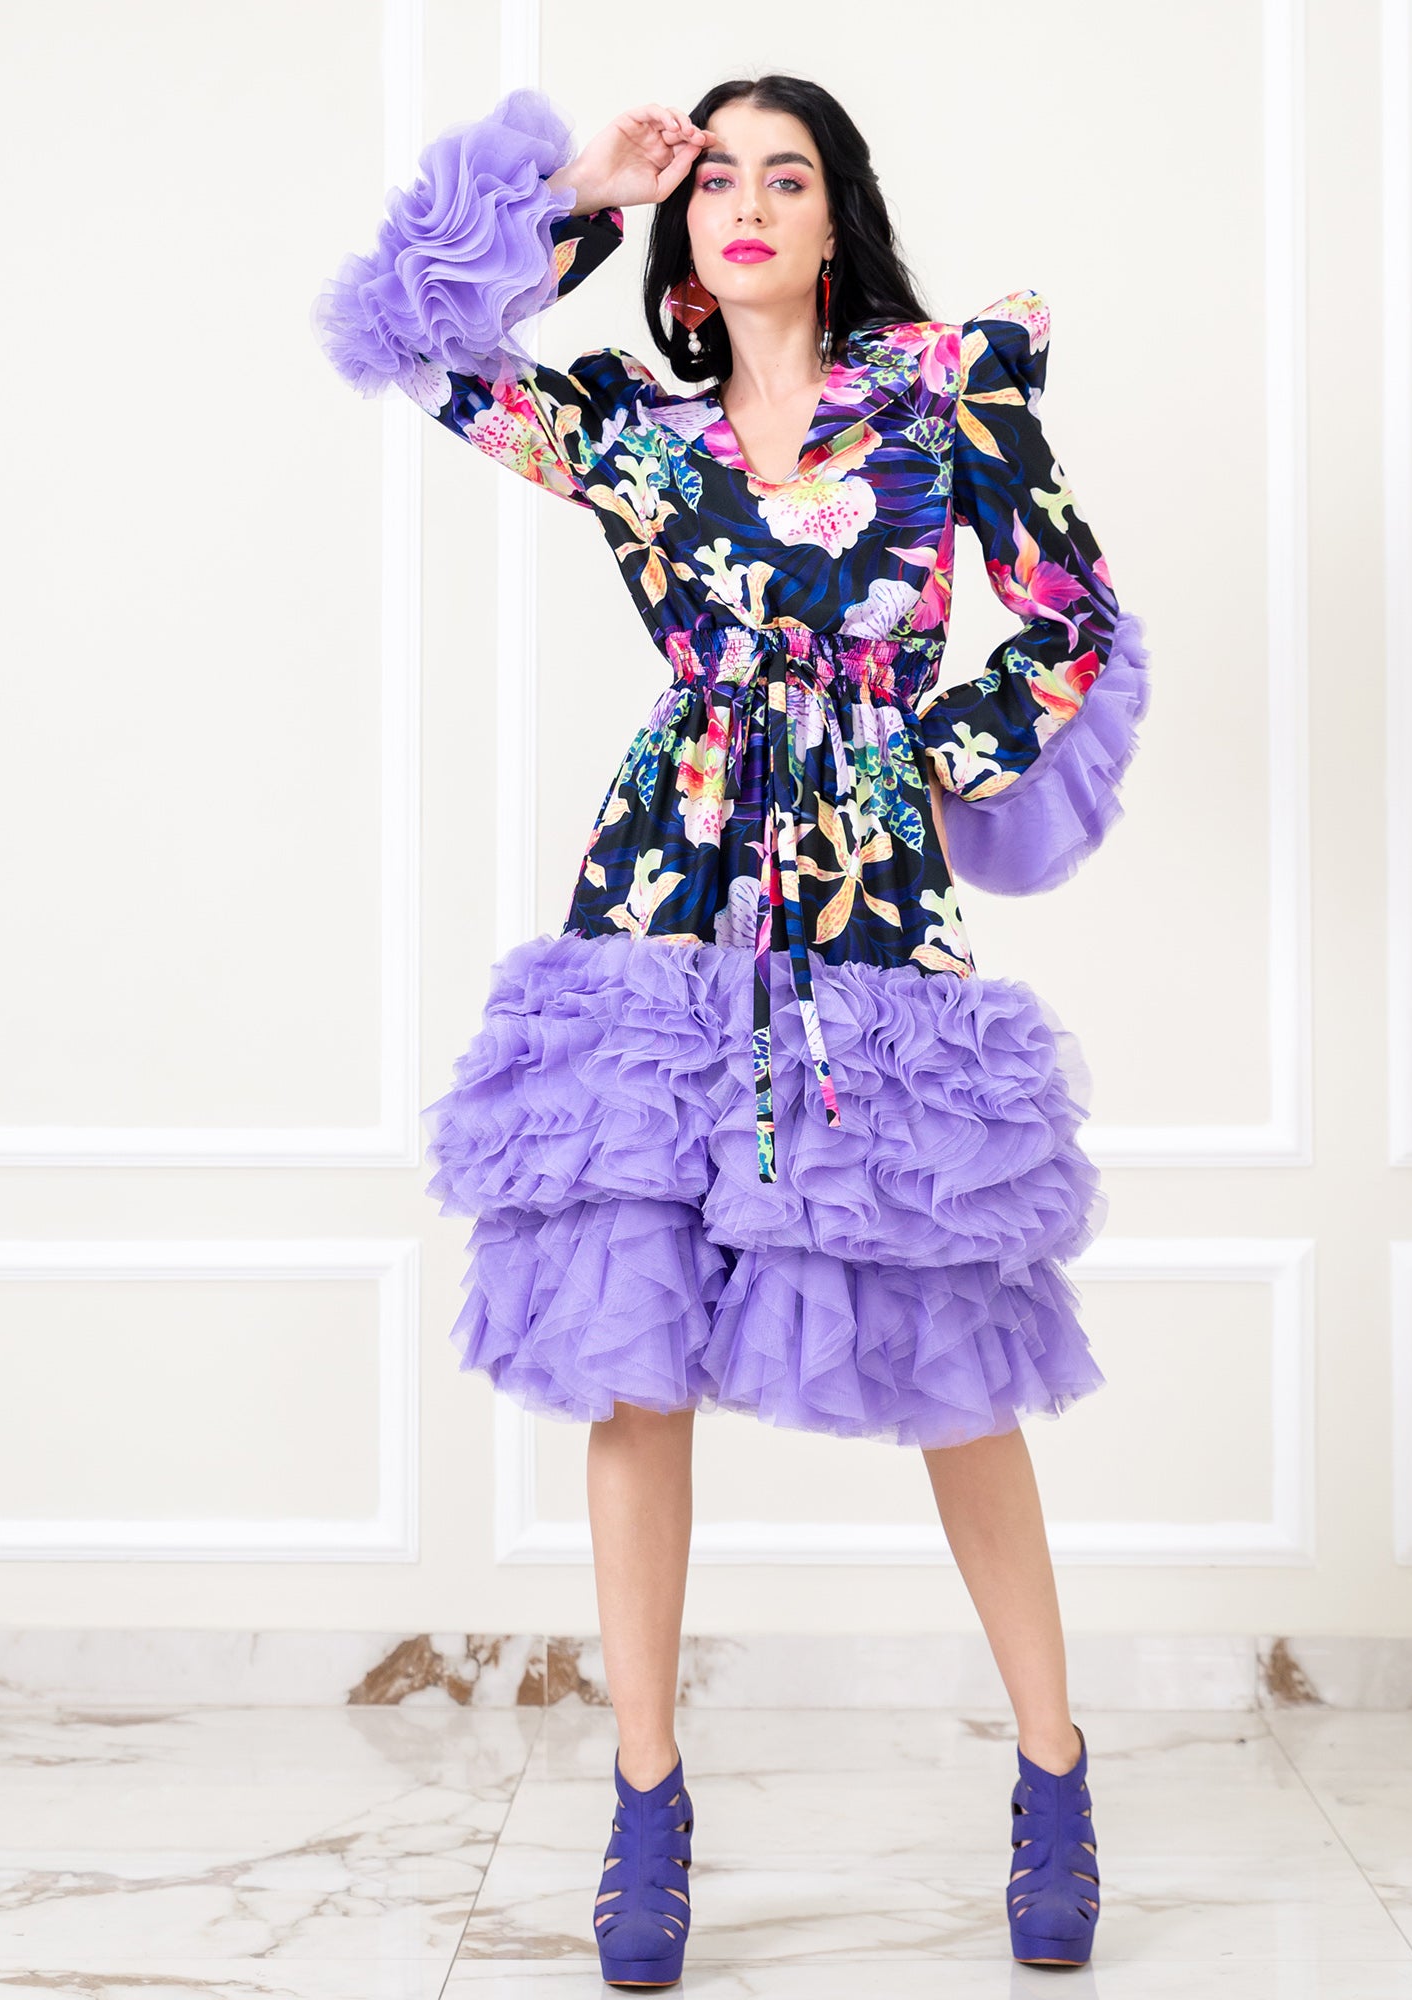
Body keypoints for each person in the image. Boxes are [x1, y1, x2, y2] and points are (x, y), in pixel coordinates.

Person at [315, 75, 1147, 1987]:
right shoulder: (632, 424)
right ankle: (644, 1799)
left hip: (867, 903)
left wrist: (922, 757)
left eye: (791, 176)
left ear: (838, 217)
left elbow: (1073, 618)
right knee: (635, 1346)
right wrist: (581, 188)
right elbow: (410, 331)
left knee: (951, 1340)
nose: (751, 202)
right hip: (664, 893)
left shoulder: (946, 390)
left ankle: (1052, 1772)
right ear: (688, 233)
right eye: (722, 181)